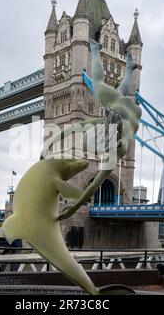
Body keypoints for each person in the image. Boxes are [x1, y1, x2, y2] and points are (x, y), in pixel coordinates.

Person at [44, 39, 143, 221]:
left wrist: (48, 144)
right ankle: (107, 56)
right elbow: (76, 127)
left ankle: (115, 61)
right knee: (102, 86)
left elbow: (93, 185)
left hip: (132, 111)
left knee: (105, 87)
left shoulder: (117, 145)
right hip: (127, 108)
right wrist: (48, 145)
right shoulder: (107, 125)